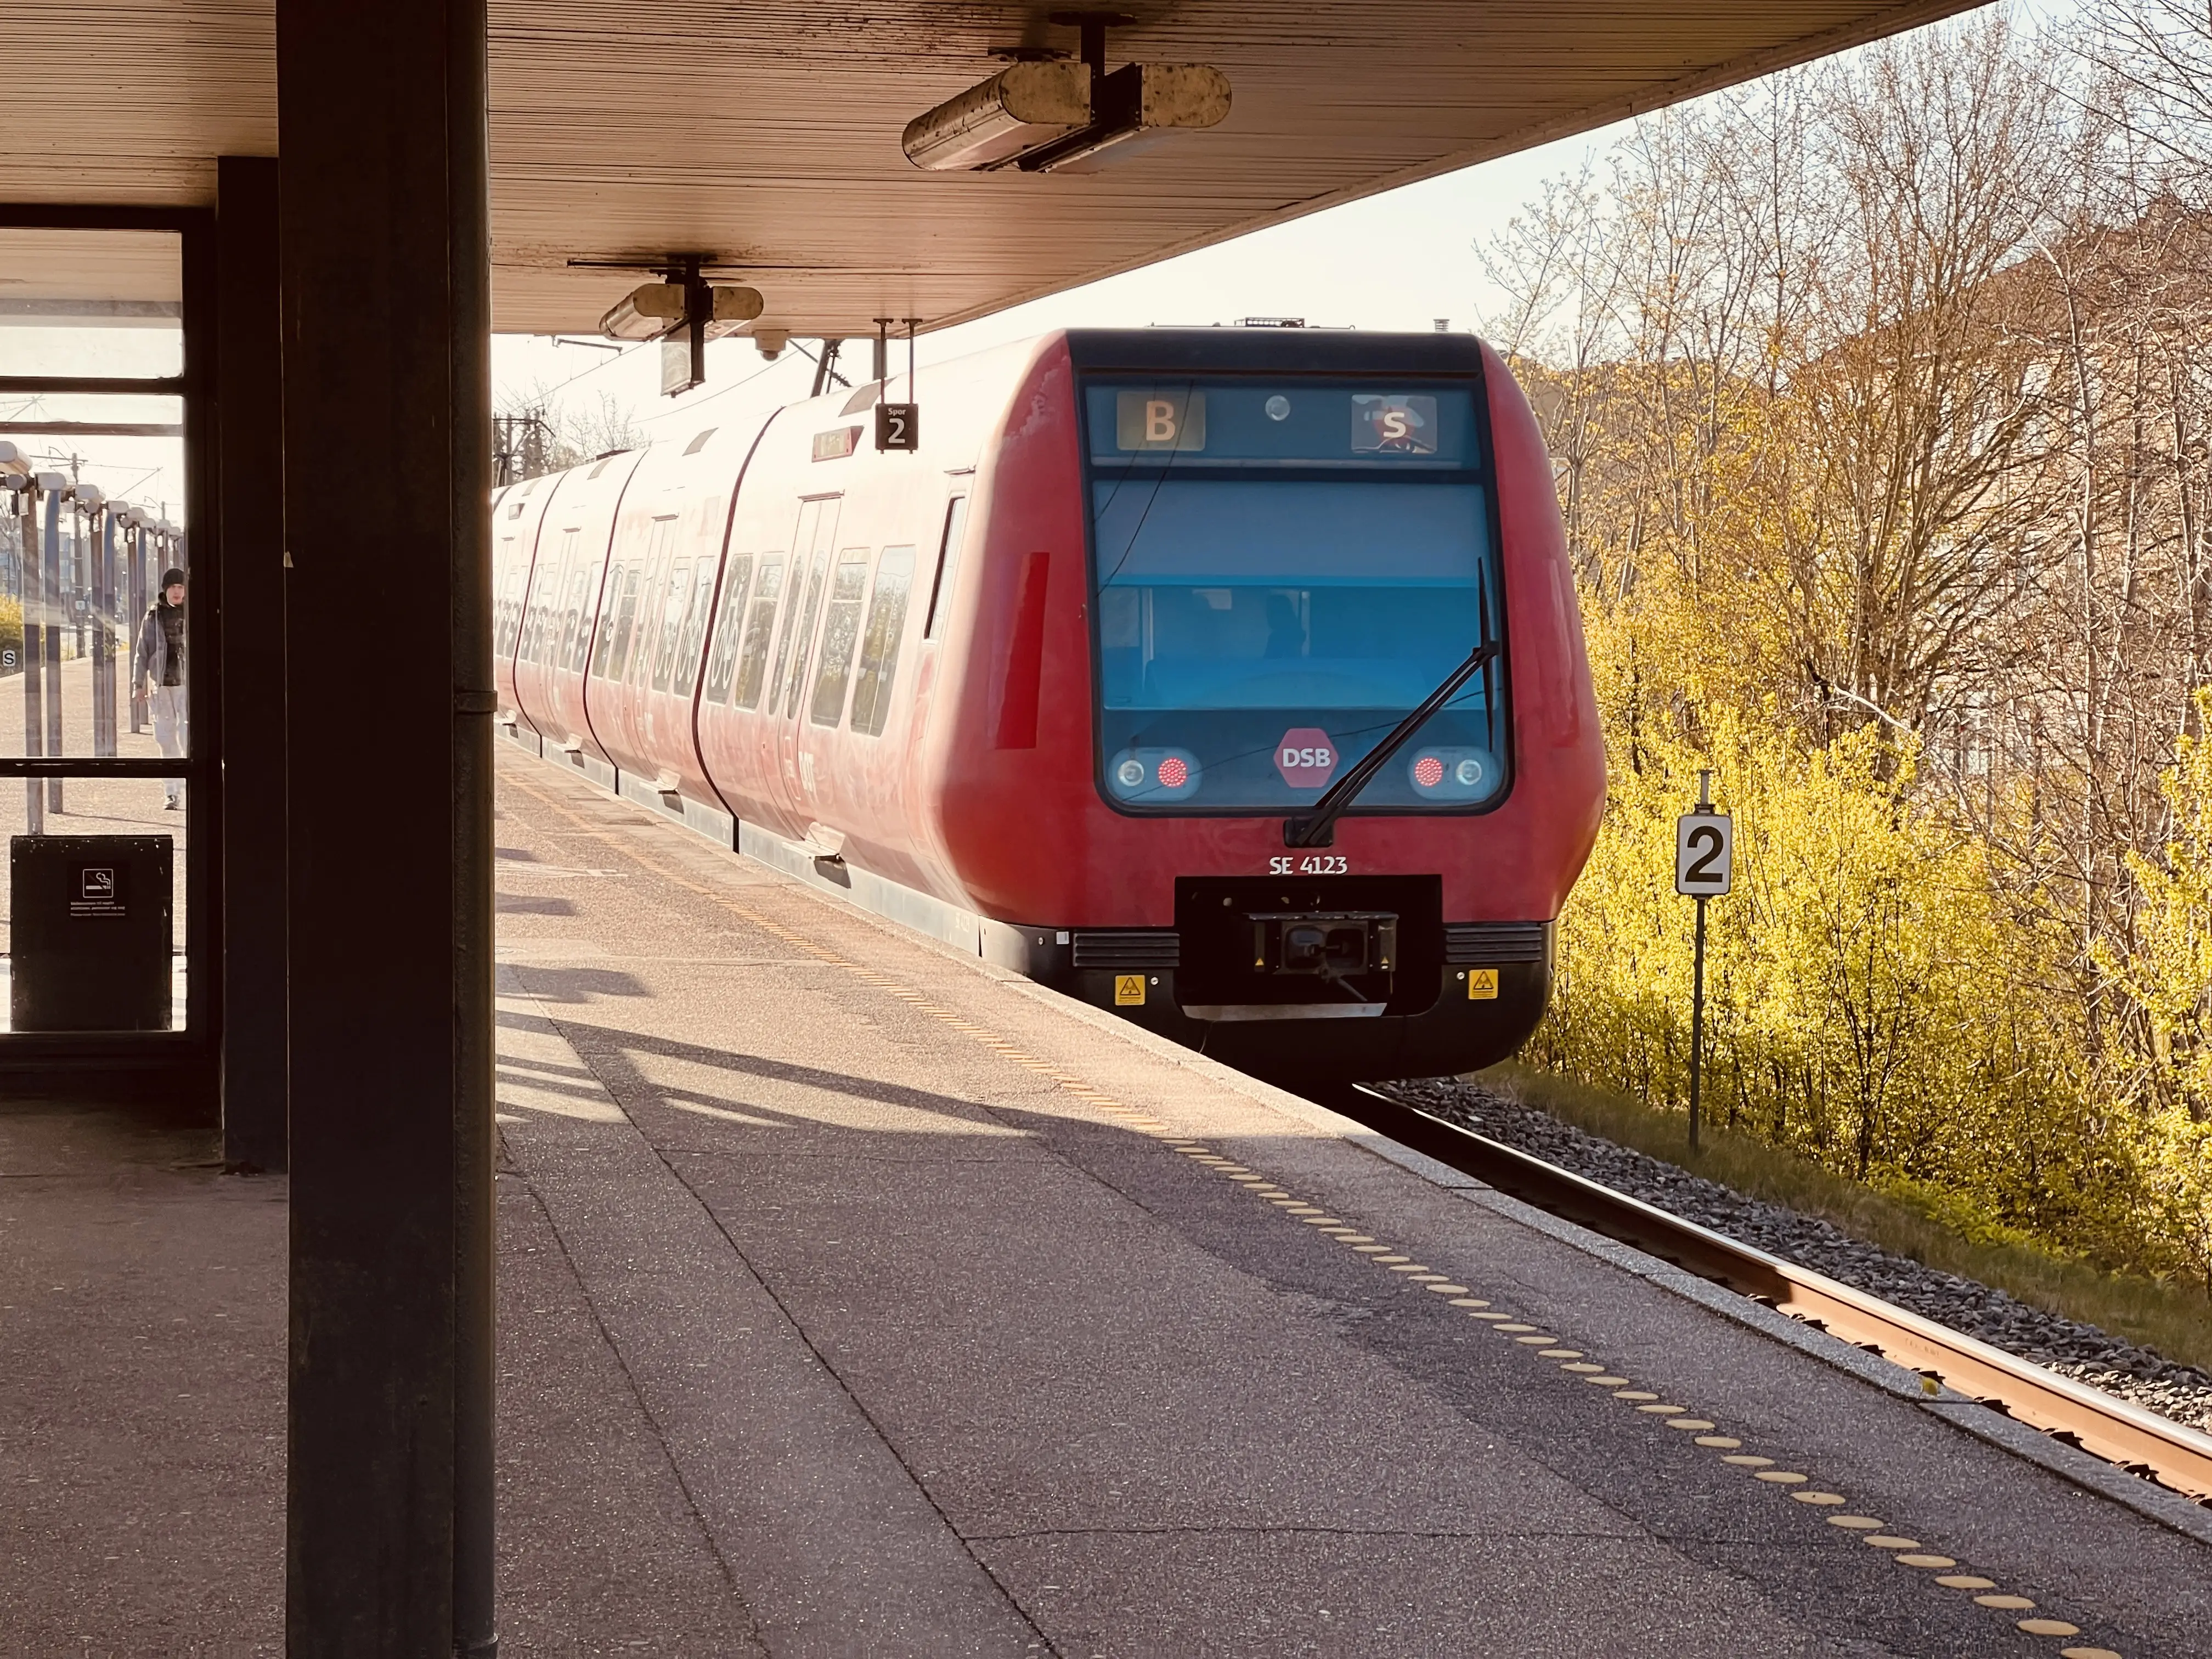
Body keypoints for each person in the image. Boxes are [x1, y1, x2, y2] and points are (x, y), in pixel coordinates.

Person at [134, 567, 187, 809]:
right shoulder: (153, 616)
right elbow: (141, 651)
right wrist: (138, 684)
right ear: (165, 590)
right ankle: (172, 792)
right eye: (173, 587)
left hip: (187, 685)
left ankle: (191, 785)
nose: (177, 592)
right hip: (161, 684)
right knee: (165, 740)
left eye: (180, 587)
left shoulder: (192, 613)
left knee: (188, 738)